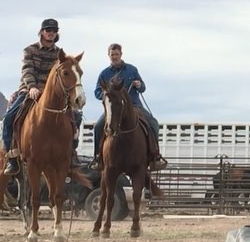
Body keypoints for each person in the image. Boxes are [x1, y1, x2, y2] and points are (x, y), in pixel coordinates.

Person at [3, 18, 84, 176]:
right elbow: (27, 70)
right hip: (29, 91)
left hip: (52, 94)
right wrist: (32, 87)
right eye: (48, 30)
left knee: (76, 117)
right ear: (41, 32)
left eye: (54, 31)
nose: (51, 33)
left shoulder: (60, 55)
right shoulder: (30, 50)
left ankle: (71, 152)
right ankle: (12, 157)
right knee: (9, 118)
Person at [89, 43, 167, 171]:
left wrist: (139, 84)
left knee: (153, 124)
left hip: (134, 106)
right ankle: (98, 157)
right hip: (114, 108)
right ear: (108, 55)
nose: (115, 57)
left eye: (117, 54)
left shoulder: (132, 70)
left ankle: (155, 156)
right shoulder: (104, 74)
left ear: (121, 54)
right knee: (98, 126)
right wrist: (106, 94)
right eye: (112, 54)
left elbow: (143, 87)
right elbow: (97, 91)